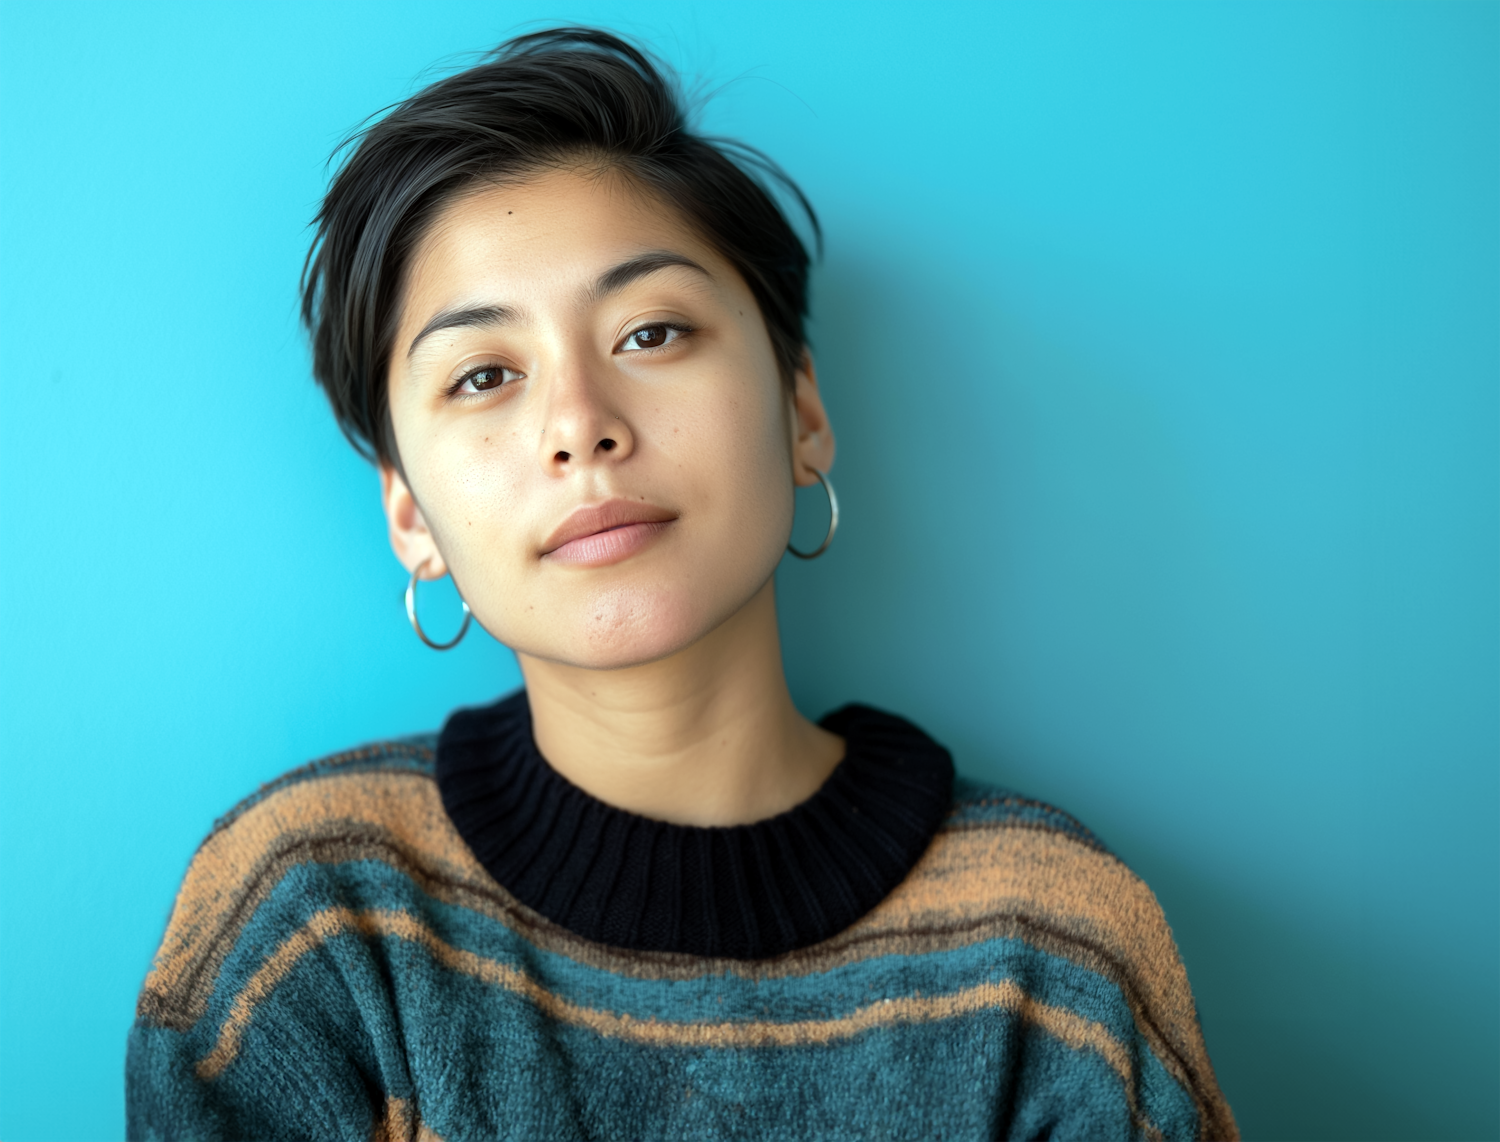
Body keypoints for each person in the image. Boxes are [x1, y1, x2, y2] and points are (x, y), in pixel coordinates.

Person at [126, 27, 1236, 1141]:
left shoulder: (1050, 947)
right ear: (409, 514)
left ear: (803, 411)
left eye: (651, 331)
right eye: (484, 375)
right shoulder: (309, 921)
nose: (580, 428)